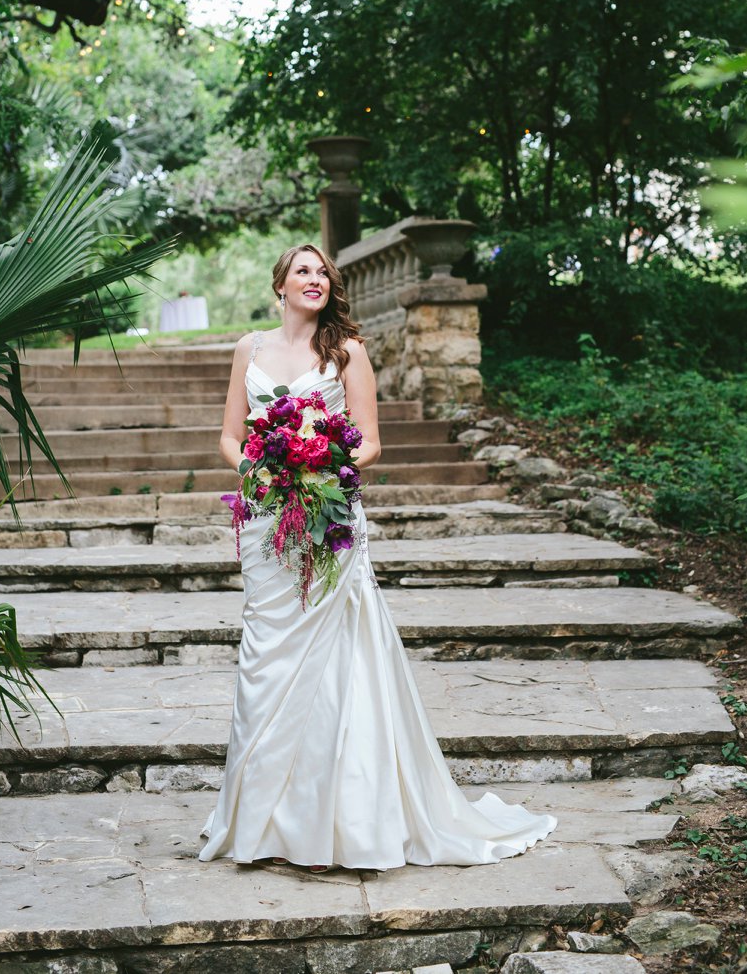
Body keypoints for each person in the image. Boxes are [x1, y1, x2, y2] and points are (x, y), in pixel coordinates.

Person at [199, 242, 557, 871]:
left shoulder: (347, 352)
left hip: (329, 516)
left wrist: (320, 461)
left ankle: (346, 820)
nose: (315, 279)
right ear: (279, 284)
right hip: (266, 524)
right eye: (303, 271)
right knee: (265, 662)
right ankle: (261, 824)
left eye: (323, 273)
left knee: (342, 664)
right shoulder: (248, 349)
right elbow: (231, 436)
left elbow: (370, 444)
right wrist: (263, 469)